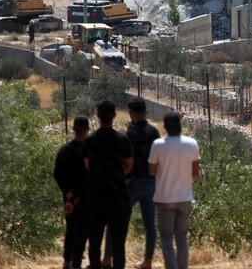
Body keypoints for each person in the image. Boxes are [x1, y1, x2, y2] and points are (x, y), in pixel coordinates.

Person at [103, 96, 160, 269]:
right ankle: (148, 261)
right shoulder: (154, 132)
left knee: (116, 221)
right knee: (150, 225)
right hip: (151, 182)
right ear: (146, 112)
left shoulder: (129, 134)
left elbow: (124, 159)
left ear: (130, 113)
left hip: (132, 183)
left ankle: (108, 259)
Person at [83, 100, 134, 269]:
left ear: (97, 116)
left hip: (96, 196)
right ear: (114, 115)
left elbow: (87, 164)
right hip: (118, 196)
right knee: (118, 243)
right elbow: (129, 165)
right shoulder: (122, 139)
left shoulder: (90, 140)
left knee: (95, 242)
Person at [148, 113, 200, 269]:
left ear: (165, 127)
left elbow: (152, 171)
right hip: (185, 197)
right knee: (182, 237)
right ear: (180, 126)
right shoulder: (192, 143)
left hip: (164, 198)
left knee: (166, 238)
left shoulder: (157, 144)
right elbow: (195, 173)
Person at [54, 116, 90, 269]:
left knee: (71, 228)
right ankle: (76, 262)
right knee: (83, 231)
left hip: (69, 198)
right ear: (87, 130)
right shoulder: (89, 151)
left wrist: (67, 192)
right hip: (86, 196)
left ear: (74, 129)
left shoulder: (64, 150)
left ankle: (67, 261)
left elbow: (57, 174)